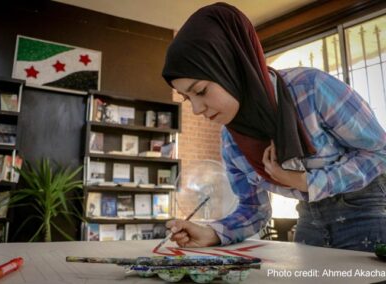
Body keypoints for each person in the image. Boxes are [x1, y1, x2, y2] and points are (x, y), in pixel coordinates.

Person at [161, 2, 386, 252]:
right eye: (187, 98)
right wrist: (212, 232)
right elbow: (253, 210)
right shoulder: (232, 140)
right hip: (309, 225)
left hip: (369, 216)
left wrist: (307, 182)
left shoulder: (311, 89)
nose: (196, 109)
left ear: (231, 68)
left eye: (201, 91)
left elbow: (379, 152)